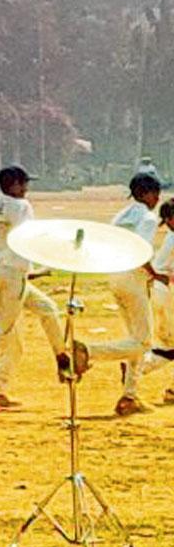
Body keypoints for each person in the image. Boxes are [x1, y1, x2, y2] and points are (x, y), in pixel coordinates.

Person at [0, 165, 71, 408]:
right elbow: (27, 237)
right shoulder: (22, 207)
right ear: (14, 185)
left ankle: (60, 357)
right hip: (14, 274)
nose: (27, 189)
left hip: (0, 272)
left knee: (47, 308)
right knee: (2, 331)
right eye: (24, 184)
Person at [81, 174, 165, 416]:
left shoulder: (120, 215)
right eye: (155, 193)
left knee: (134, 339)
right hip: (133, 278)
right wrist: (154, 274)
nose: (157, 199)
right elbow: (140, 251)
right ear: (145, 193)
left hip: (115, 276)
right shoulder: (148, 218)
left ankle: (130, 396)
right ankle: (89, 351)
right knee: (143, 342)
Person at [139, 198, 174, 404]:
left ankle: (139, 366)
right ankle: (138, 367)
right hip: (168, 293)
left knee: (170, 347)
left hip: (163, 292)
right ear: (169, 219)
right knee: (170, 347)